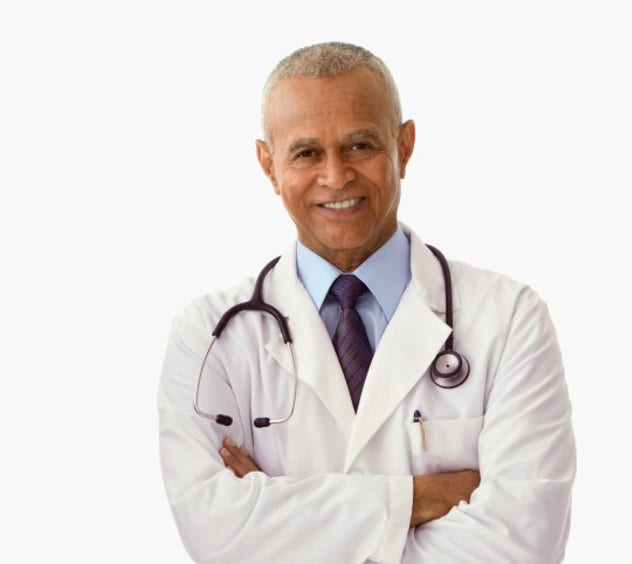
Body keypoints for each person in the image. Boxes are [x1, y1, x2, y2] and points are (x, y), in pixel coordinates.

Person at [158, 41, 576, 563]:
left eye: (360, 145)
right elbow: (215, 533)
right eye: (307, 152)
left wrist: (282, 516)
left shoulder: (510, 319)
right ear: (268, 165)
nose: (335, 177)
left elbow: (522, 542)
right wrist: (424, 497)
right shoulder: (210, 334)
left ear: (405, 145)